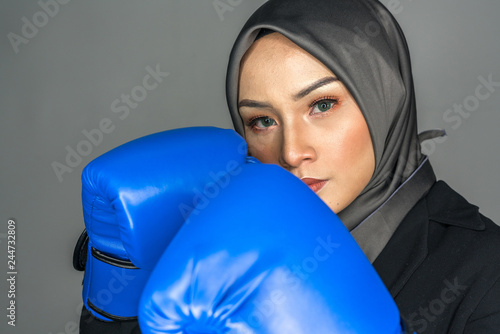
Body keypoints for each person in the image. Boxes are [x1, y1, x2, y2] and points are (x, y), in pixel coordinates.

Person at [224, 0, 500, 333]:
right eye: (263, 121)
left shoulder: (487, 275)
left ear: (384, 98)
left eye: (322, 105)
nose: (292, 153)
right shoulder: (235, 265)